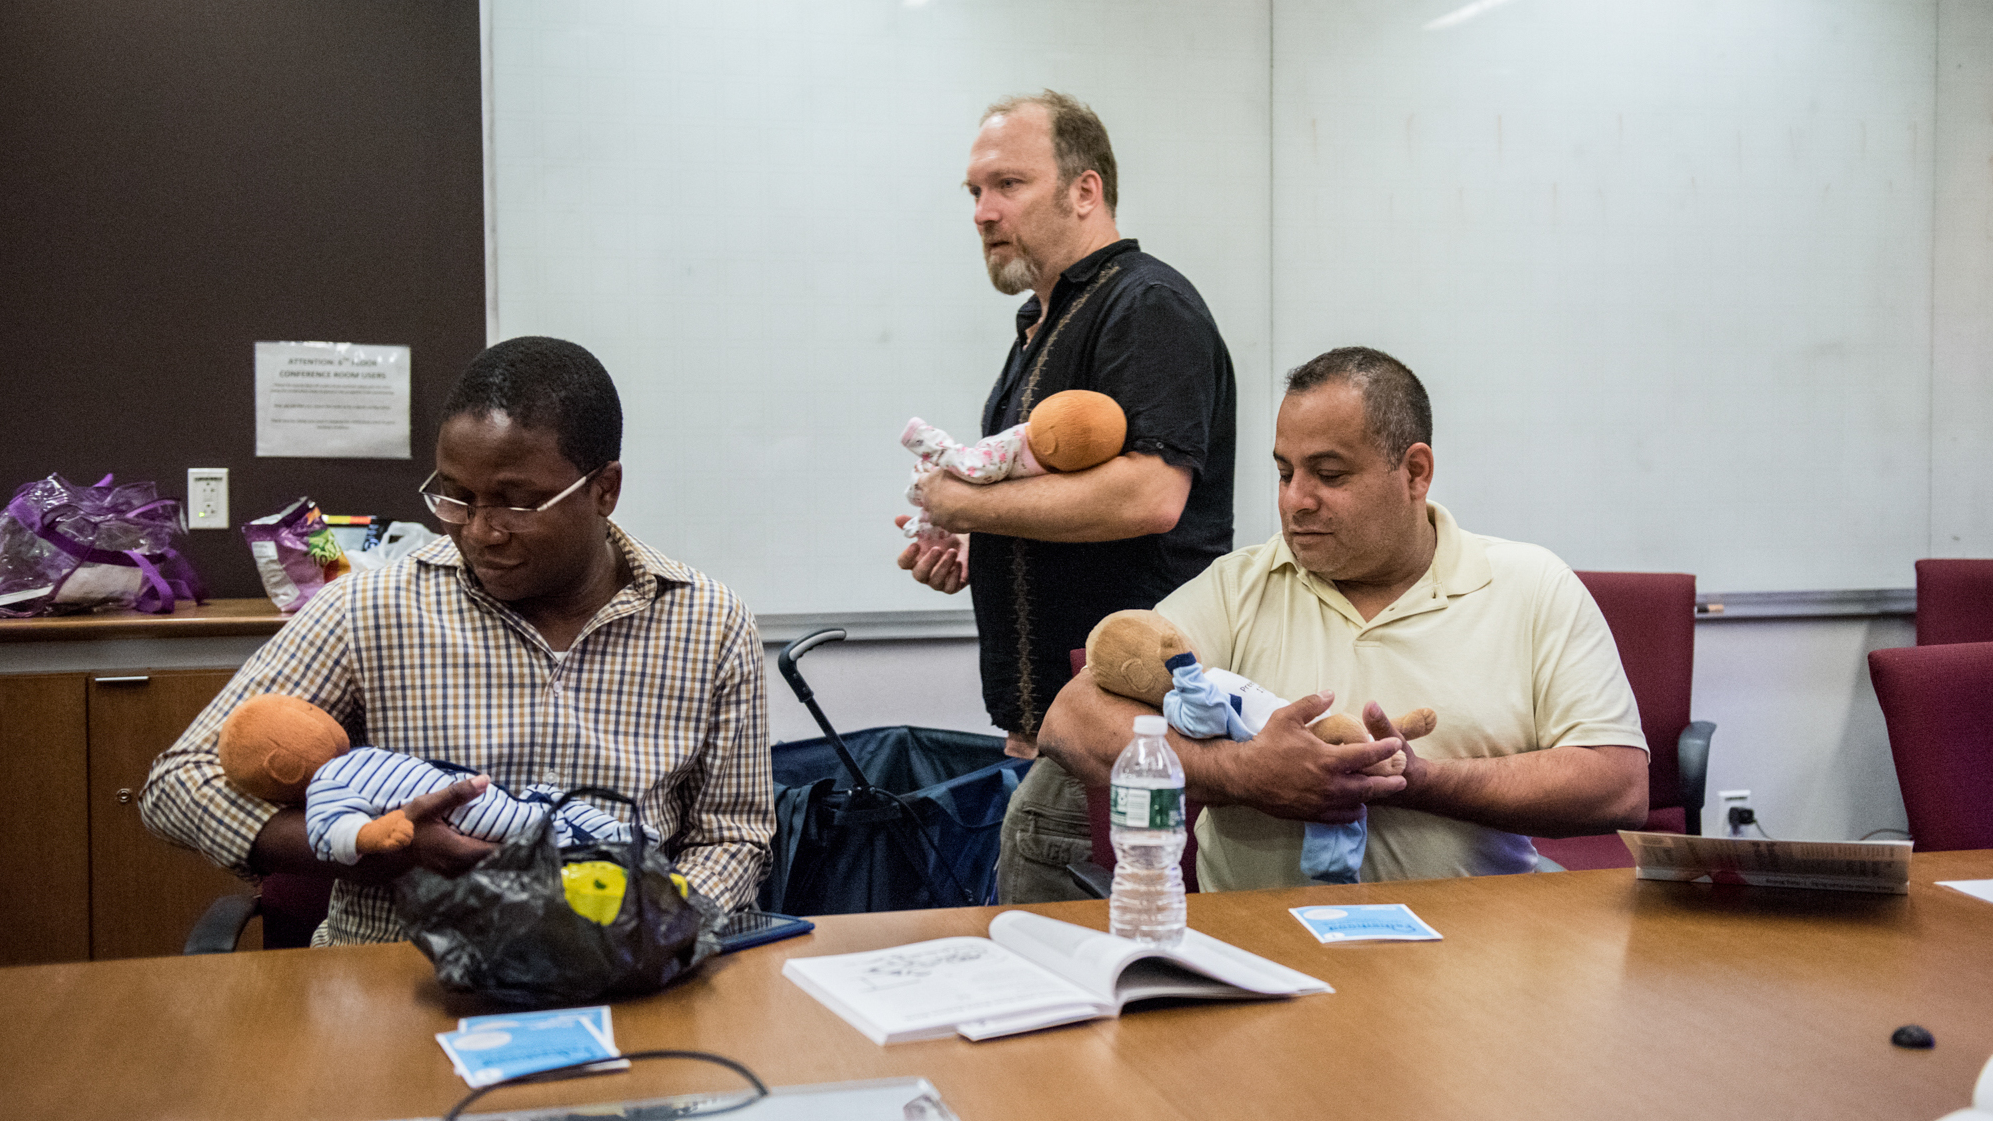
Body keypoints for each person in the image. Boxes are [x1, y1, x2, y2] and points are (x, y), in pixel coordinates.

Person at [141, 337, 773, 943]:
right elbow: (177, 783)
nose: (479, 532)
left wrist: (656, 926)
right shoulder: (372, 607)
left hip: (622, 974)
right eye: (456, 498)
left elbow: (735, 834)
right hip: (400, 978)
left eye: (515, 503)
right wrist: (370, 848)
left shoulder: (709, 623)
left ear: (605, 489)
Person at [1036, 347, 1649, 886]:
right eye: (1283, 472)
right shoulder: (1237, 588)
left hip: (1474, 962)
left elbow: (1617, 785)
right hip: (1264, 953)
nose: (1295, 499)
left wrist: (1424, 782)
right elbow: (1070, 723)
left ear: (1414, 472)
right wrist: (1244, 774)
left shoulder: (1532, 586)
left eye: (1329, 475)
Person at [896, 91, 1237, 903]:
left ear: (1085, 191)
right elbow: (1055, 500)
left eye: (1007, 184)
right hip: (1044, 731)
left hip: (1119, 732)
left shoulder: (1144, 304)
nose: (983, 212)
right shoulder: (1042, 322)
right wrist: (977, 548)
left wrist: (965, 507)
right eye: (973, 192)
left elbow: (1150, 496)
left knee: (1075, 996)